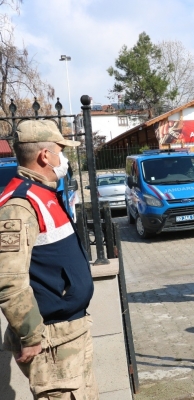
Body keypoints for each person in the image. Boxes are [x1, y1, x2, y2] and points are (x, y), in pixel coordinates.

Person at [0, 120, 99, 399]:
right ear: (45, 156)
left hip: (71, 330)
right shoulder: (20, 206)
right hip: (51, 340)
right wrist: (30, 335)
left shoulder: (43, 194)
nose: (64, 159)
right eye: (60, 151)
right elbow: (9, 281)